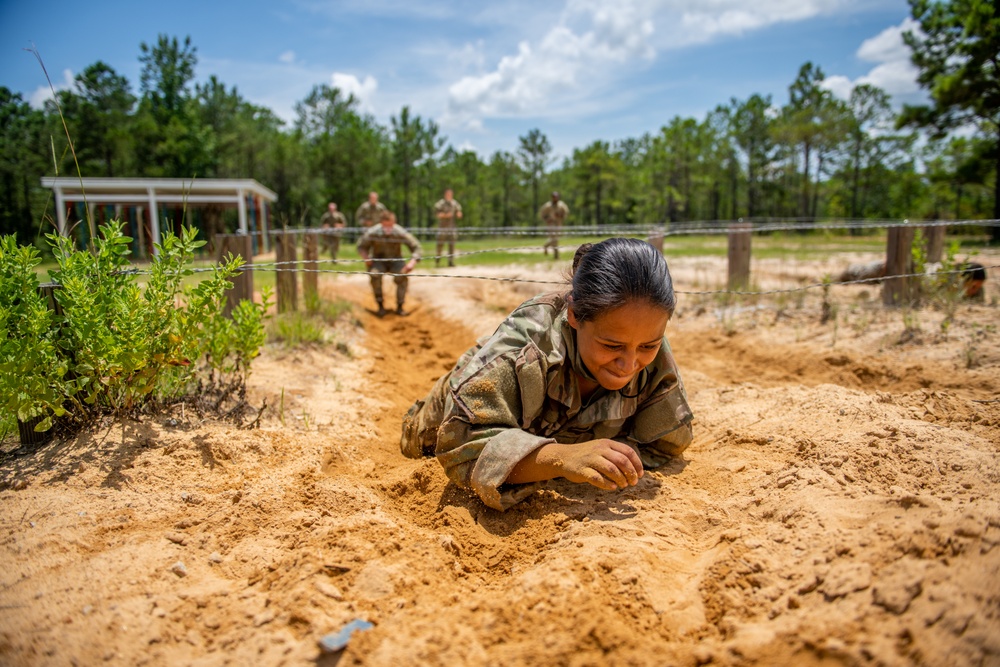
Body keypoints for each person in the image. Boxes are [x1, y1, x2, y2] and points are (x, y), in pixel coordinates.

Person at [400, 238, 694, 511]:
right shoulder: (525, 346)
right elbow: (460, 445)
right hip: (446, 419)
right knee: (421, 441)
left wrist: (603, 456)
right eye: (612, 346)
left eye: (648, 345)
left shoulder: (639, 337)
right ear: (575, 315)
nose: (629, 363)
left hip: (540, 426)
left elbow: (666, 441)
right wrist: (563, 458)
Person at [357, 210, 422, 317]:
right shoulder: (373, 232)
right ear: (381, 223)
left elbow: (416, 247)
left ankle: (400, 306)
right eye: (385, 226)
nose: (388, 229)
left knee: (402, 276)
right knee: (375, 276)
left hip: (396, 261)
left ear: (394, 222)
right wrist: (366, 258)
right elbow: (361, 246)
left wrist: (412, 262)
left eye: (390, 226)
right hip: (378, 261)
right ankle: (380, 305)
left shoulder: (399, 231)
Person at [433, 188, 463, 267]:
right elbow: (437, 215)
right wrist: (446, 216)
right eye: (448, 194)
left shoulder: (454, 203)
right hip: (442, 228)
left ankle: (451, 261)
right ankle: (437, 261)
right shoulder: (440, 204)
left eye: (450, 194)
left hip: (451, 228)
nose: (449, 196)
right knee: (440, 245)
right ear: (445, 195)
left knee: (452, 245)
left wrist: (459, 214)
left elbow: (459, 211)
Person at [539, 191, 570, 260]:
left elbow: (566, 213)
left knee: (555, 239)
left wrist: (560, 215)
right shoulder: (548, 205)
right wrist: (547, 219)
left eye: (556, 197)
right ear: (552, 197)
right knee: (555, 239)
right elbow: (542, 214)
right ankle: (556, 255)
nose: (555, 198)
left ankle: (546, 246)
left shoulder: (561, 205)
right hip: (551, 224)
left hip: (558, 224)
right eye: (553, 197)